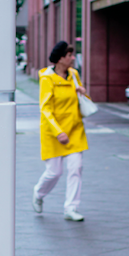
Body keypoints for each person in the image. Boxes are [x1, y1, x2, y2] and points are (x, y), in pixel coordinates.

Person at [32, 40, 89, 221]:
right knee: (54, 172)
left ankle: (71, 208)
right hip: (53, 132)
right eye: (69, 55)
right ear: (60, 58)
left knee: (76, 168)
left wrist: (82, 91)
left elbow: (82, 100)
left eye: (72, 55)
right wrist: (58, 132)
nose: (73, 58)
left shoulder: (73, 74)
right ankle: (39, 194)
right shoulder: (47, 78)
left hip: (74, 130)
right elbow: (45, 109)